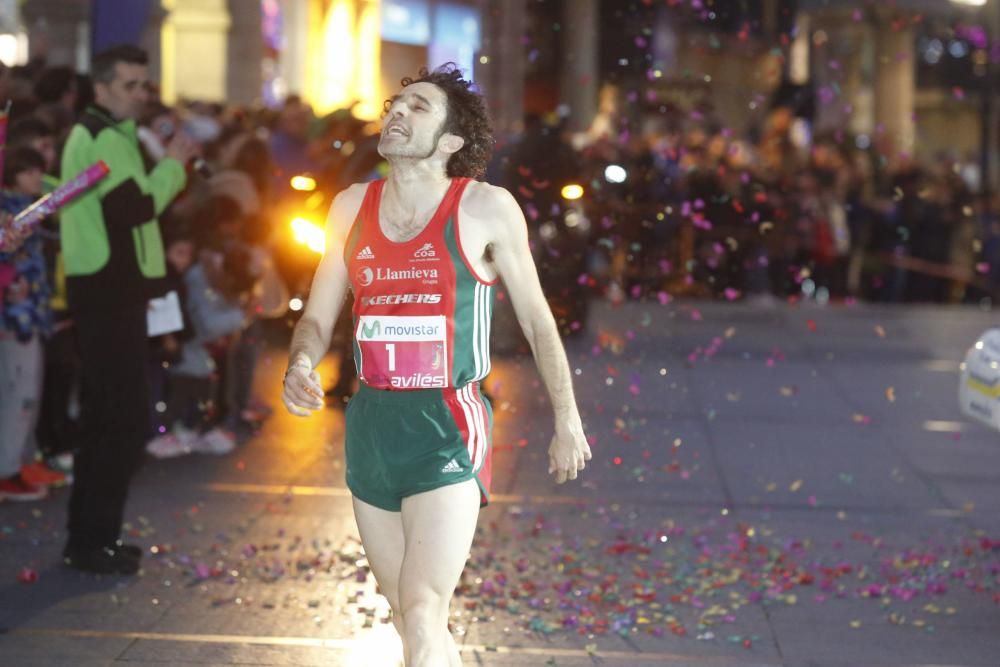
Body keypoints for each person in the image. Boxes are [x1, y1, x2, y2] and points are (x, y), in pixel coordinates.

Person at [281, 63, 591, 666]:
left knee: (423, 609)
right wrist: (300, 363)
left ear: (451, 142)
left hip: (448, 421)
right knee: (406, 613)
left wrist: (568, 419)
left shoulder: (485, 208)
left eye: (419, 108)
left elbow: (537, 320)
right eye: (398, 103)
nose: (397, 112)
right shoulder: (349, 206)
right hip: (371, 423)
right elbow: (318, 316)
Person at [59, 44, 197, 575]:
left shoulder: (108, 135)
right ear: (102, 89)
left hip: (111, 289)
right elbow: (133, 209)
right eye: (130, 85)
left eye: (144, 85)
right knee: (122, 420)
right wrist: (173, 169)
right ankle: (94, 540)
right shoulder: (99, 137)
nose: (141, 95)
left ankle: (90, 538)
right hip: (108, 290)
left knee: (105, 419)